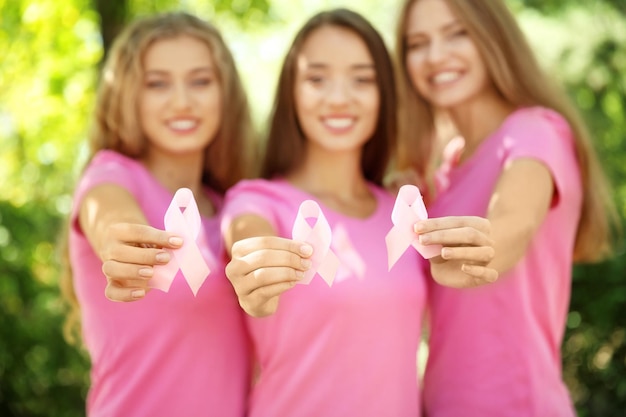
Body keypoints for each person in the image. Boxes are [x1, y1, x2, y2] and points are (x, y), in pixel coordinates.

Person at [220, 8, 497, 417]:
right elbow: (248, 240)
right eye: (317, 79)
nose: (339, 97)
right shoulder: (258, 202)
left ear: (384, 93)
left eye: (362, 79)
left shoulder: (403, 213)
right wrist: (255, 274)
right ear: (291, 93)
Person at [393, 0, 621, 416]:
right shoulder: (446, 170)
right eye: (417, 43)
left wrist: (481, 248)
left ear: (492, 36)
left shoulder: (534, 133)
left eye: (456, 33)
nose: (436, 55)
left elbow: (510, 225)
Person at [60, 12, 255, 417]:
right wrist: (121, 246)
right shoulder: (110, 177)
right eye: (157, 84)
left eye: (200, 81)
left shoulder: (235, 210)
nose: (182, 100)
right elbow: (111, 220)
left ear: (225, 94)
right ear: (129, 96)